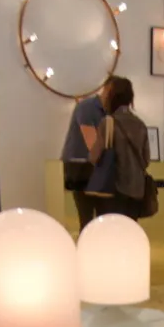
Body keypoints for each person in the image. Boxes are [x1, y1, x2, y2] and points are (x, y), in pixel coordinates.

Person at [88, 77, 150, 220]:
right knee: (129, 229)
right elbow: (146, 160)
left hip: (113, 191)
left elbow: (94, 157)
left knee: (109, 230)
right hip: (136, 191)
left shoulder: (108, 123)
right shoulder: (140, 124)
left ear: (112, 97)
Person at [61, 78, 117, 231]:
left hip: (98, 167)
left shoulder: (110, 111)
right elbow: (93, 144)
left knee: (103, 218)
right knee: (86, 219)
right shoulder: (87, 107)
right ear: (107, 89)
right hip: (80, 168)